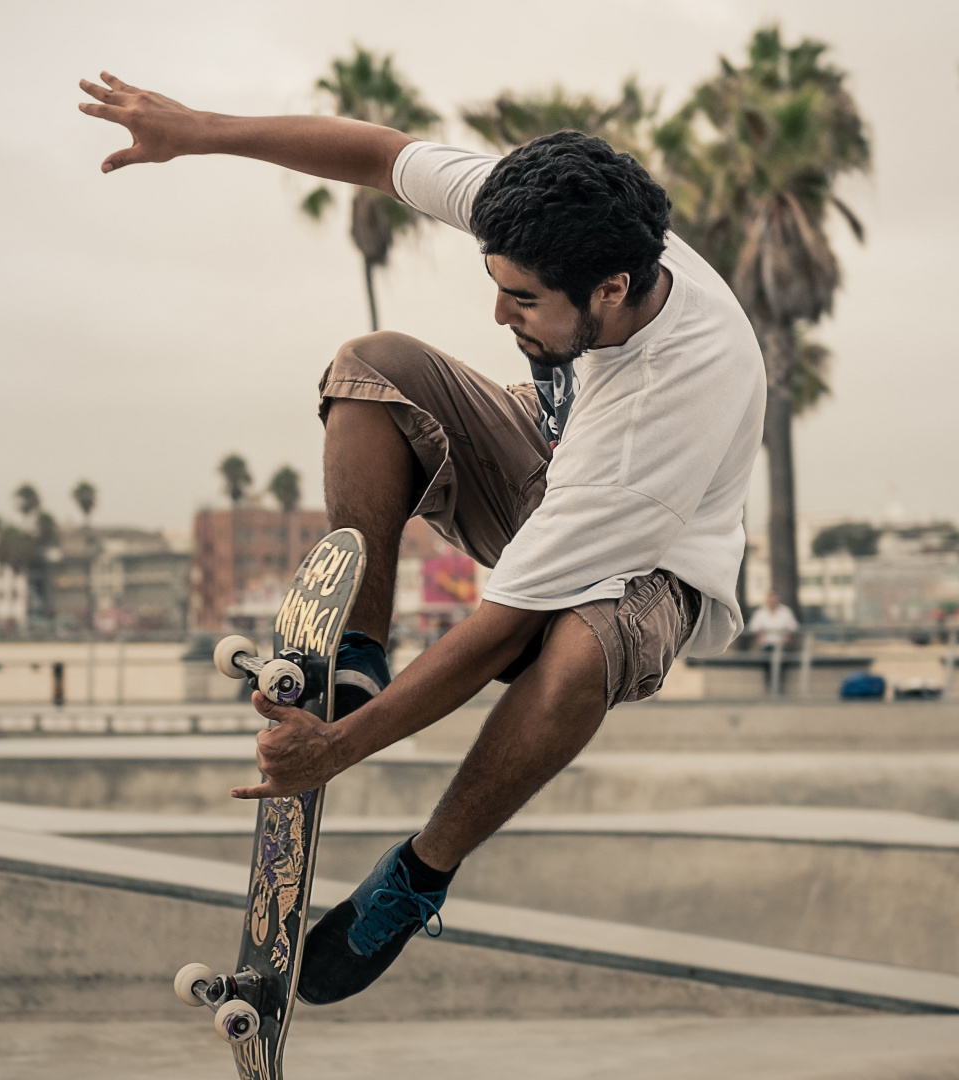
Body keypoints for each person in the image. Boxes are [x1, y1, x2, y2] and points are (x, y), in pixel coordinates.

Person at [78, 73, 764, 1004]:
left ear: (612, 288)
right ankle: (358, 649)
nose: (497, 315)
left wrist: (341, 749)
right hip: (553, 459)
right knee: (373, 369)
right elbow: (376, 152)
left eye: (524, 301)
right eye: (498, 285)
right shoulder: (550, 214)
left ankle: (419, 874)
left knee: (574, 649)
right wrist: (196, 130)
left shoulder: (664, 409)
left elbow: (506, 628)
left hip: (656, 568)